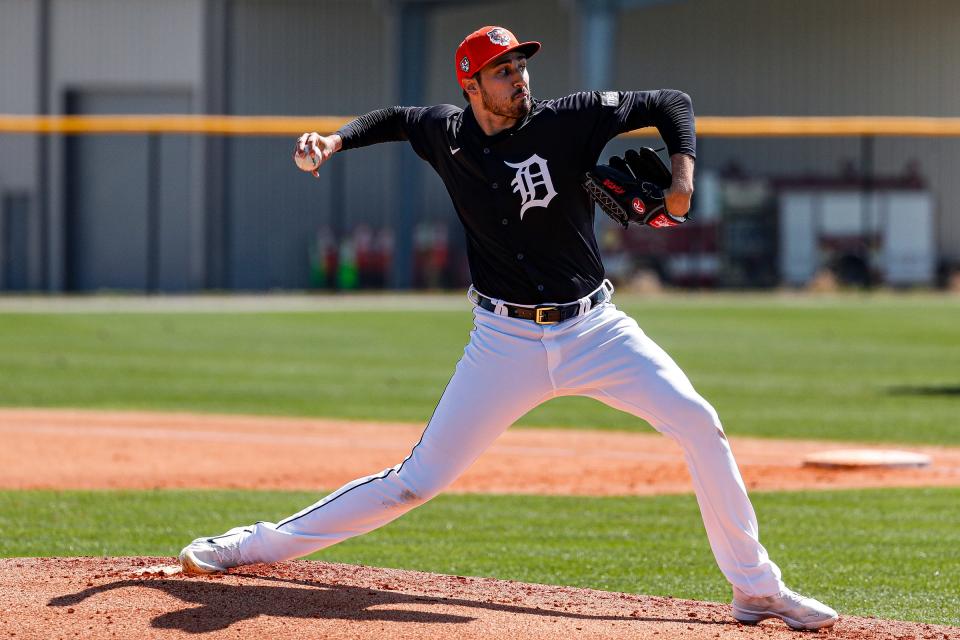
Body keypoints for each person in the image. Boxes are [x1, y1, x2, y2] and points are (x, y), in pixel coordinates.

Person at [179, 25, 838, 631]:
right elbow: (396, 119)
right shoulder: (448, 133)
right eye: (502, 70)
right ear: (471, 86)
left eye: (520, 64)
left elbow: (672, 102)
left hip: (595, 331)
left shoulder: (569, 119)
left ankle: (755, 588)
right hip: (503, 343)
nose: (519, 77)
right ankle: (249, 545)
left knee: (699, 423)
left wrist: (683, 180)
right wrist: (334, 139)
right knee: (415, 482)